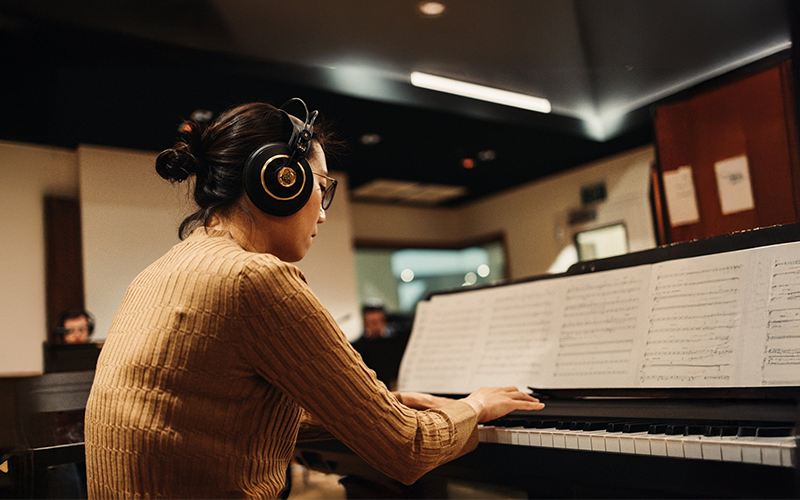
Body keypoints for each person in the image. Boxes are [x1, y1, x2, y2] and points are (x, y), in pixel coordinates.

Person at [84, 98, 544, 499]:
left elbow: (223, 412)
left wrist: (385, 404)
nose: (323, 212)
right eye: (321, 187)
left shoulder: (159, 271)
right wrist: (476, 405)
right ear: (278, 180)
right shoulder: (254, 278)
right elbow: (408, 450)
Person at [352, 303, 409, 389]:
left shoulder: (396, 343)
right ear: (365, 322)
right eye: (372, 322)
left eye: (379, 321)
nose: (376, 326)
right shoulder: (358, 347)